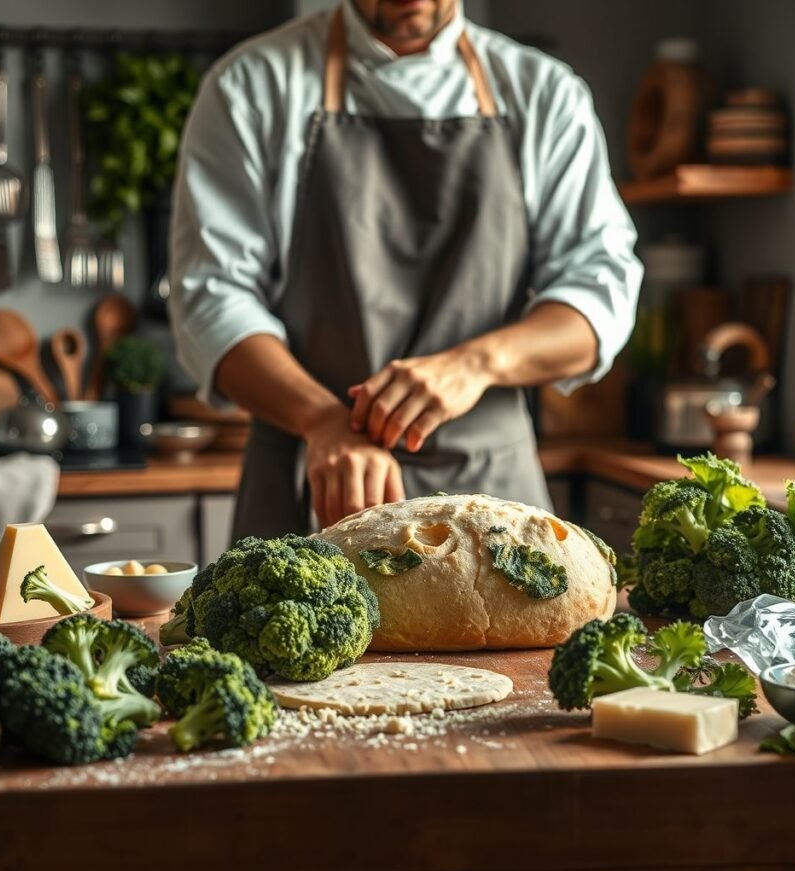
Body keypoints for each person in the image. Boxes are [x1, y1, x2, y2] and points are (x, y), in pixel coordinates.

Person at [170, 0, 642, 537]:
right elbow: (210, 299)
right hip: (315, 489)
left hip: (493, 496)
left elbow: (598, 297)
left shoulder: (543, 94)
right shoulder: (253, 85)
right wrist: (322, 420)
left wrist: (477, 363)